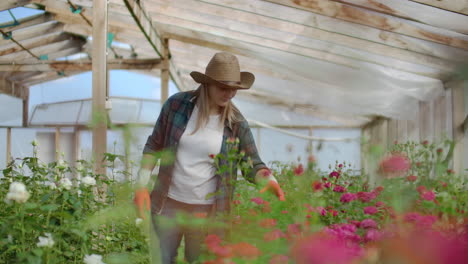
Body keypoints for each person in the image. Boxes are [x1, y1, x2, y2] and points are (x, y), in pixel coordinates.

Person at [133, 52, 285, 264]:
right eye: (224, 88)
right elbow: (154, 145)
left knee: (199, 260)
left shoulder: (236, 123)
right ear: (207, 85)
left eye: (234, 88)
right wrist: (141, 184)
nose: (230, 94)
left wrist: (268, 179)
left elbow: (252, 163)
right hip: (167, 206)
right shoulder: (177, 105)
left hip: (206, 213)